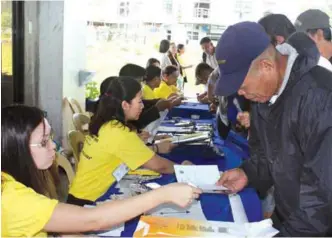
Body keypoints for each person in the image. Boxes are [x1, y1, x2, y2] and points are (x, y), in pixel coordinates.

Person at [1, 104, 202, 237]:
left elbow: (56, 228)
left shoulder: (13, 183)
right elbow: (94, 219)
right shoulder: (14, 201)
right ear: (16, 149)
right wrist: (163, 194)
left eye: (50, 137)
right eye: (44, 142)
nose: (54, 145)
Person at [215, 21, 332, 236]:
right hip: (291, 216)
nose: (240, 94)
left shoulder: (322, 97)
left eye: (242, 86)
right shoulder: (264, 96)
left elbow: (323, 198)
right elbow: (267, 153)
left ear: (266, 67)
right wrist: (247, 173)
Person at [68, 77, 187, 205]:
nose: (142, 106)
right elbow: (159, 165)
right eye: (139, 101)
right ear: (125, 105)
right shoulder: (118, 132)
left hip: (81, 194)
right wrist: (183, 169)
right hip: (88, 202)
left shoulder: (107, 123)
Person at [119, 64, 173, 129]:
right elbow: (137, 122)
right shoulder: (121, 102)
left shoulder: (126, 96)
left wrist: (157, 101)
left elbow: (144, 103)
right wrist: (157, 109)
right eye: (140, 82)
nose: (141, 85)